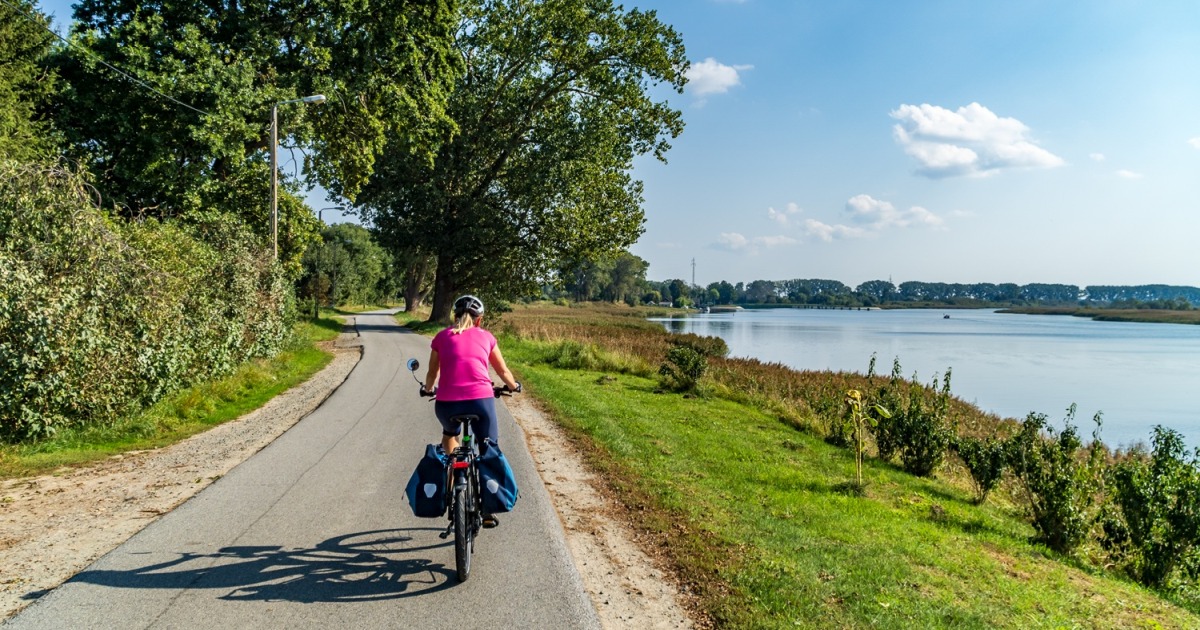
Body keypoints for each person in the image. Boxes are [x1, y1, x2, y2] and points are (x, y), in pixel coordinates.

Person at [420, 294, 521, 460]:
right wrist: (514, 386)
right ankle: (486, 480)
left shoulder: (441, 337)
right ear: (479, 320)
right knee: (488, 445)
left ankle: (453, 476)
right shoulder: (487, 337)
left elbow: (432, 373)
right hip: (480, 401)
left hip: (447, 404)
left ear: (455, 317)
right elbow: (503, 371)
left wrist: (428, 389)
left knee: (450, 436)